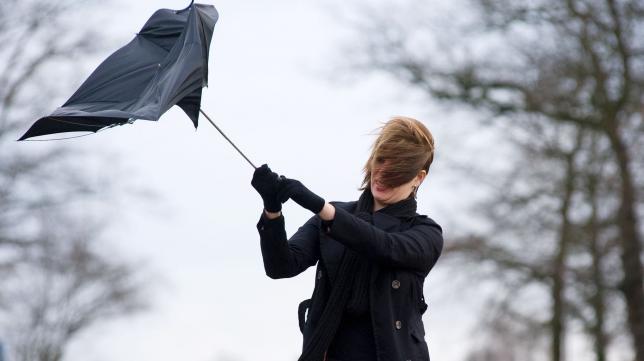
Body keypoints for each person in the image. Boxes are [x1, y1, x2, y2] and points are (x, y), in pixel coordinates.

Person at [251, 116, 443, 361]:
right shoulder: (333, 216)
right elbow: (282, 266)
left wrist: (322, 208)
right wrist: (272, 211)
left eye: (396, 171)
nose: (382, 174)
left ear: (419, 177)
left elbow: (385, 246)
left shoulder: (425, 233)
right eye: (380, 161)